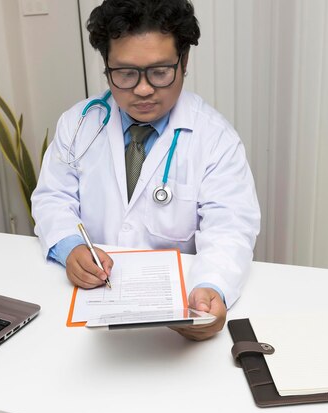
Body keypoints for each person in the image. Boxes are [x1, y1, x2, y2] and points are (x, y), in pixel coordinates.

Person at [31, 0, 260, 341]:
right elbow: (53, 197)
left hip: (174, 314)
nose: (142, 89)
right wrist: (70, 247)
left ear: (184, 61)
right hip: (89, 304)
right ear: (107, 66)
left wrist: (212, 287)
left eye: (159, 72)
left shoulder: (215, 138)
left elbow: (230, 229)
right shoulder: (79, 123)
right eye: (124, 73)